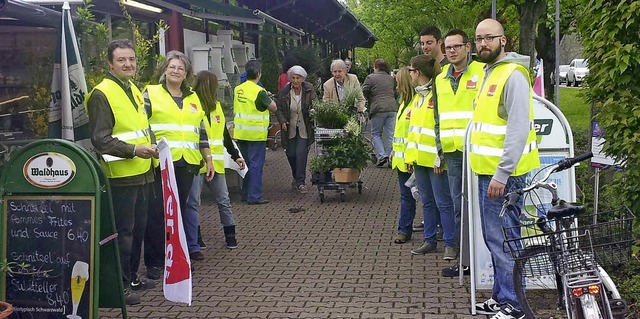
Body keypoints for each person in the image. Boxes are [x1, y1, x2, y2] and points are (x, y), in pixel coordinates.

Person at [471, 19, 540, 319]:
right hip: (489, 173)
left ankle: (514, 305)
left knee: (505, 239)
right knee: (494, 238)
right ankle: (501, 297)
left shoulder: (512, 75)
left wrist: (502, 173)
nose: (483, 44)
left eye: (489, 38)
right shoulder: (490, 72)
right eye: (478, 39)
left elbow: (517, 128)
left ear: (504, 41)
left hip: (504, 177)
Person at [85, 39, 157, 305]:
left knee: (138, 230)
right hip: (120, 175)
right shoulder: (102, 94)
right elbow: (100, 139)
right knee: (123, 233)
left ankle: (132, 277)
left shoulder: (132, 88)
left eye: (132, 59)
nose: (128, 64)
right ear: (110, 64)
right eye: (121, 60)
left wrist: (151, 147)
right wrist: (135, 150)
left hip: (142, 171)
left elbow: (140, 127)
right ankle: (120, 286)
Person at [144, 51, 214, 275]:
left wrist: (208, 158)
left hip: (188, 163)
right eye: (172, 67)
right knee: (157, 213)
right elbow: (142, 124)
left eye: (180, 69)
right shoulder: (150, 93)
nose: (176, 71)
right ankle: (155, 262)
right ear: (164, 70)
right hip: (160, 162)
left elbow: (200, 130)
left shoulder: (193, 97)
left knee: (180, 213)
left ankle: (179, 257)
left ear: (186, 74)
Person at [434, 29, 485, 277]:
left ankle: (481, 254)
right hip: (452, 151)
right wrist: (439, 147)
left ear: (467, 48)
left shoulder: (483, 72)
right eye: (448, 47)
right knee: (458, 202)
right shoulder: (440, 78)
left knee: (480, 202)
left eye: (457, 46)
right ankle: (458, 250)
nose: (452, 51)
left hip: (478, 149)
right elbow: (438, 117)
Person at [404, 54, 457, 261]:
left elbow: (442, 127)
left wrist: (440, 157)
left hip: (434, 161)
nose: (409, 74)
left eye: (411, 70)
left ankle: (451, 244)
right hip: (419, 160)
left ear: (417, 72)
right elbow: (413, 130)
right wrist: (409, 157)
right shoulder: (418, 97)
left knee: (443, 202)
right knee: (426, 202)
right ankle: (430, 241)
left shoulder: (437, 95)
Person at [187, 70, 246, 249]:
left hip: (216, 163)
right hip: (196, 161)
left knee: (223, 200)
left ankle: (230, 234)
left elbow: (224, 135)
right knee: (194, 203)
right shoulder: (191, 105)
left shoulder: (217, 106)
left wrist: (235, 156)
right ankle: (196, 238)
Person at [414, 25, 449, 234]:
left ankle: (449, 233)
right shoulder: (427, 68)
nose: (425, 46)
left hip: (446, 144)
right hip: (426, 151)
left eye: (429, 42)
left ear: (439, 42)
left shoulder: (445, 67)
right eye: (423, 43)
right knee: (431, 197)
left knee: (445, 197)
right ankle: (433, 223)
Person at [234, 59, 277, 205]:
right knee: (256, 165)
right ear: (258, 74)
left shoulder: (237, 89)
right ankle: (254, 196)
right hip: (255, 134)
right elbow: (273, 107)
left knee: (244, 164)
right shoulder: (260, 91)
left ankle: (245, 193)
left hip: (241, 133)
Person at [275, 65, 318, 194]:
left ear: (303, 78)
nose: (295, 81)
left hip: (305, 128)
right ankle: (295, 176)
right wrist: (282, 121)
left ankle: (301, 182)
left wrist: (314, 113)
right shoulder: (285, 91)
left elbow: (315, 104)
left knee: (301, 154)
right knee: (291, 154)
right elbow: (279, 108)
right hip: (290, 127)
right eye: (293, 78)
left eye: (298, 78)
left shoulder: (309, 89)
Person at [390, 67, 417, 244]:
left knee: (409, 196)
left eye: (398, 82)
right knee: (407, 196)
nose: (396, 85)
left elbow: (413, 133)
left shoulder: (414, 104)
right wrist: (393, 149)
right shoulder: (403, 104)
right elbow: (400, 131)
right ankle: (404, 229)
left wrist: (410, 157)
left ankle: (404, 230)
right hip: (401, 160)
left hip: (409, 160)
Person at [362, 58, 398, 167]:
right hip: (392, 108)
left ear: (376, 67)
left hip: (377, 108)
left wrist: (369, 99)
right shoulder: (391, 79)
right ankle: (390, 157)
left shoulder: (370, 78)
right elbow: (395, 92)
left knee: (376, 133)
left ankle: (382, 156)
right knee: (390, 134)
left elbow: (363, 90)